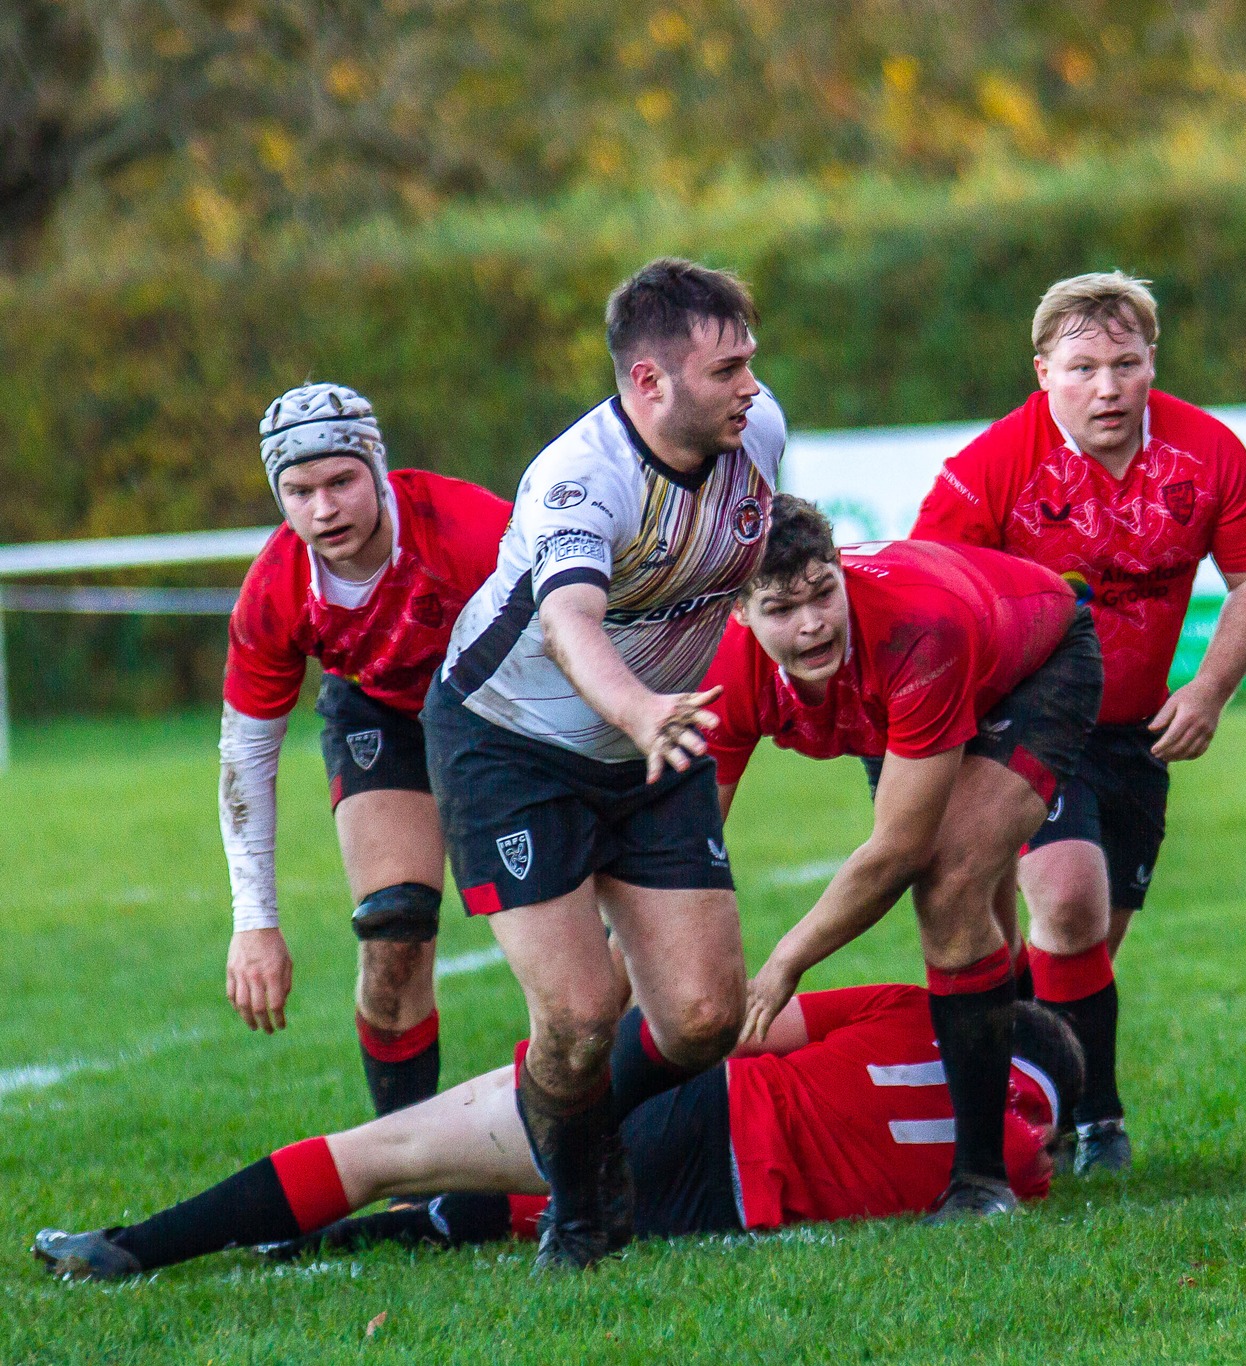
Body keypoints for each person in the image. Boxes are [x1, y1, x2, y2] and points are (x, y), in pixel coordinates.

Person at [423, 258, 786, 1268]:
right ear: (648, 382)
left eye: (749, 362)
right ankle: (584, 1207)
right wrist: (640, 711)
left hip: (652, 741)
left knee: (706, 1015)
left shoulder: (758, 432)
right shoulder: (579, 480)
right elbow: (570, 623)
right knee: (581, 1015)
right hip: (510, 745)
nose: (750, 387)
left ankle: (576, 1139)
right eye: (726, 370)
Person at [911, 271, 1246, 1174]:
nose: (1107, 387)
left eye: (1125, 364)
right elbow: (927, 589)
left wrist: (1209, 690)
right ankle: (1099, 1124)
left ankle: (1019, 1094)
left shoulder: (1208, 453)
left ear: (1153, 361)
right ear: (1043, 372)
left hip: (1135, 735)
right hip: (1029, 722)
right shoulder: (995, 465)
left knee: (1080, 946)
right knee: (1070, 899)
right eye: (1082, 368)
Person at [31, 990, 1082, 1280]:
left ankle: (131, 1248)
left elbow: (733, 1026)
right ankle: (371, 1233)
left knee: (382, 1149)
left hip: (701, 1114)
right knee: (524, 1199)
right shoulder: (1020, 1173)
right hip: (712, 1211)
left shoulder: (911, 1007)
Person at [703, 495, 1101, 1222]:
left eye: (823, 593)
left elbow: (897, 852)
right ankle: (1035, 1083)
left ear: (841, 571)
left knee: (947, 884)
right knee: (974, 893)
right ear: (738, 613)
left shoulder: (917, 629)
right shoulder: (726, 668)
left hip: (1037, 664)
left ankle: (982, 1178)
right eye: (782, 609)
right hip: (913, 685)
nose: (812, 623)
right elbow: (688, 848)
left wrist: (785, 962)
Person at [219, 383, 510, 1117]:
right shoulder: (274, 591)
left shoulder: (472, 529)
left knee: (582, 937)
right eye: (299, 491)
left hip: (509, 712)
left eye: (341, 481)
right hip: (381, 709)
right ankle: (405, 1151)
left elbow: (582, 631)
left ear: (377, 467)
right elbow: (245, 760)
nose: (323, 509)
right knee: (393, 930)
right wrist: (255, 923)